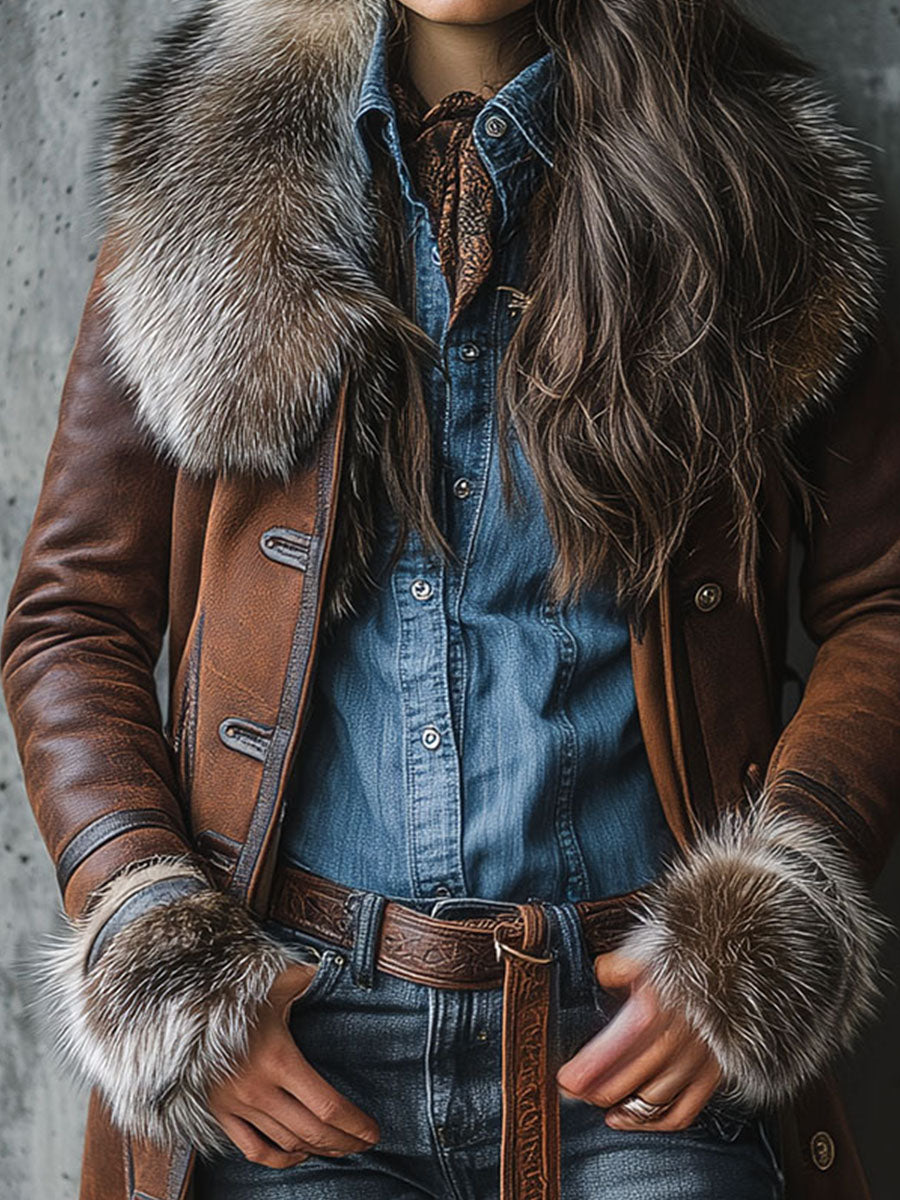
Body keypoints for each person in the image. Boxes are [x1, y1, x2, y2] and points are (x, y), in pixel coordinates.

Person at [2, 1, 898, 1198]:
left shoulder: (752, 179)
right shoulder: (212, 170)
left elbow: (881, 606)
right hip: (298, 1045)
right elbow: (74, 616)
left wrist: (762, 927)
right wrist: (154, 932)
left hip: (639, 1048)